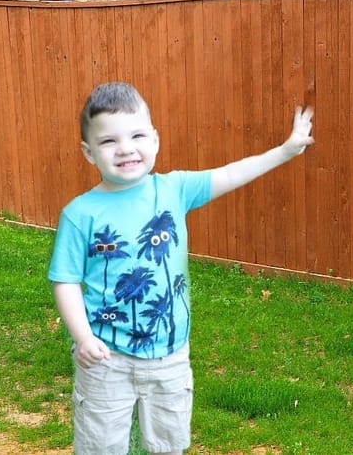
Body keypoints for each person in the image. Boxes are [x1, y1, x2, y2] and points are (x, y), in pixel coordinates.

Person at [48, 81, 314, 455]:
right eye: (109, 141)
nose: (126, 148)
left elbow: (230, 173)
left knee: (169, 445)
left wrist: (284, 152)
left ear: (154, 140)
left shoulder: (173, 190)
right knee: (99, 446)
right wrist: (83, 338)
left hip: (170, 356)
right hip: (105, 359)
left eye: (137, 134)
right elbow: (66, 281)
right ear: (88, 152)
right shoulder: (79, 215)